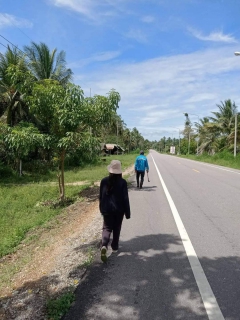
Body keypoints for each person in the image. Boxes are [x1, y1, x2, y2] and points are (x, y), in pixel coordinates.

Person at [99, 160, 131, 263]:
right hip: (119, 210)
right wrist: (127, 213)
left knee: (107, 228)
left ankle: (104, 245)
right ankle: (115, 247)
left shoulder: (104, 181)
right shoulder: (123, 182)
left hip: (107, 209)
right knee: (116, 228)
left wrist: (101, 208)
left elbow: (101, 197)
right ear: (119, 171)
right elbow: (125, 199)